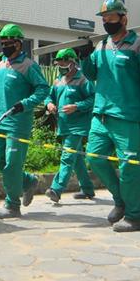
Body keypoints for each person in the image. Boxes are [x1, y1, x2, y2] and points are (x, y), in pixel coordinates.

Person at [81, 0, 140, 232]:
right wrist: (84, 55)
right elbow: (90, 74)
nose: (107, 22)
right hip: (101, 114)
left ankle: (136, 216)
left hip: (127, 116)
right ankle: (120, 201)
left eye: (111, 18)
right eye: (104, 19)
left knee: (129, 168)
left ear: (124, 18)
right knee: (94, 158)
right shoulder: (101, 46)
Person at [0, 24, 50, 219]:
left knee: (13, 164)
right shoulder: (1, 64)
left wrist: (25, 103)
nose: (4, 46)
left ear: (18, 44)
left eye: (8, 43)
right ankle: (27, 181)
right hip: (0, 120)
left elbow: (43, 89)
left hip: (18, 123)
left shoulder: (28, 66)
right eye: (2, 43)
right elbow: (0, 89)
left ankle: (12, 205)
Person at [45, 48, 96, 202]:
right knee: (77, 159)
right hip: (63, 126)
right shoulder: (57, 80)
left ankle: (56, 189)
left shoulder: (84, 80)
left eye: (64, 63)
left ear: (73, 63)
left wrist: (77, 106)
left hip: (78, 126)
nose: (61, 66)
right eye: (59, 64)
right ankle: (87, 189)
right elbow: (49, 96)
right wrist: (49, 104)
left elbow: (93, 99)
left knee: (67, 156)